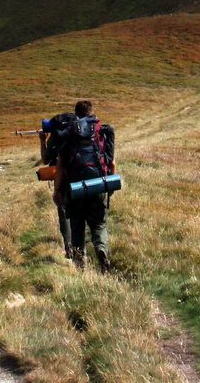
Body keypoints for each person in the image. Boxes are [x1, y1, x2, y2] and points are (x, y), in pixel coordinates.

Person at [53, 100, 116, 272]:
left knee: (77, 225)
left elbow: (59, 166)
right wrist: (108, 188)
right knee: (98, 224)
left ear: (75, 114)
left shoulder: (68, 133)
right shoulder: (101, 133)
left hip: (75, 188)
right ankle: (101, 248)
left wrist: (57, 190)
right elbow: (111, 164)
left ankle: (80, 265)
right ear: (91, 113)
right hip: (97, 185)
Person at [39, 112, 75, 259]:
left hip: (62, 178)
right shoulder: (80, 132)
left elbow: (46, 160)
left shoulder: (56, 136)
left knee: (64, 212)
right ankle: (83, 243)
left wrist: (42, 141)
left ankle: (69, 247)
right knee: (80, 209)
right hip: (81, 174)